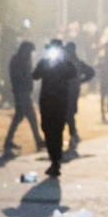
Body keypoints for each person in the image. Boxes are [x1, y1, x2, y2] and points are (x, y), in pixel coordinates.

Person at [32, 40, 77, 178]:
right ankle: (54, 160)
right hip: (47, 102)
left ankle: (55, 161)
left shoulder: (66, 64)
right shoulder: (45, 62)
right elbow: (35, 75)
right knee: (47, 129)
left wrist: (64, 60)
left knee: (57, 131)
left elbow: (73, 73)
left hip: (59, 102)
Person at [4, 41, 44, 155]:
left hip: (23, 92)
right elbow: (19, 77)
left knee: (18, 118)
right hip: (21, 93)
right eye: (30, 51)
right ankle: (38, 140)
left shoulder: (22, 60)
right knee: (31, 117)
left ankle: (8, 141)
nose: (31, 54)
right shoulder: (18, 61)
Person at [64, 42, 96, 149]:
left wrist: (81, 81)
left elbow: (91, 72)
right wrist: (81, 81)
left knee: (68, 114)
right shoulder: (76, 62)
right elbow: (91, 72)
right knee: (69, 114)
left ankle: (73, 134)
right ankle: (74, 134)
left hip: (69, 92)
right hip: (70, 92)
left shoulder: (72, 62)